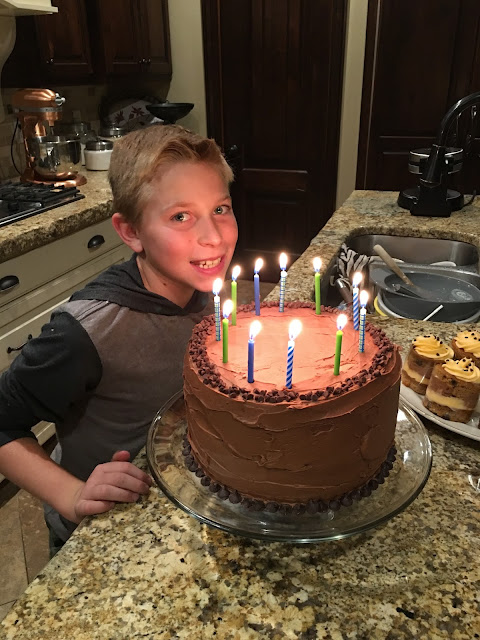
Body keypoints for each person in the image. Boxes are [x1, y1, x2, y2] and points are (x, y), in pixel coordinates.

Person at [0, 125, 238, 554]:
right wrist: (72, 494)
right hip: (106, 531)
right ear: (130, 232)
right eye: (180, 217)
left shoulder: (209, 289)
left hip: (184, 505)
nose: (214, 237)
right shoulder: (88, 331)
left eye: (220, 209)